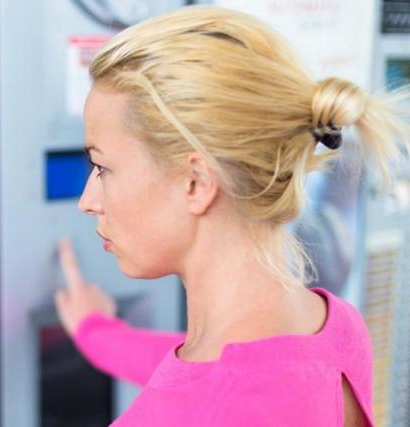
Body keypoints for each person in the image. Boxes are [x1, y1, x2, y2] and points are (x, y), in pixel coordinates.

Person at [53, 5, 409, 427]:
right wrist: (96, 334)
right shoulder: (338, 328)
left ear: (197, 182)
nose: (88, 200)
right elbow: (215, 375)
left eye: (102, 168)